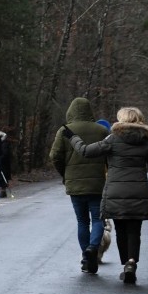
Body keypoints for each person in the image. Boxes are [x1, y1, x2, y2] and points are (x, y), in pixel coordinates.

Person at [62, 106, 148, 284]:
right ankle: (131, 263)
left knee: (121, 230)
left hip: (115, 193)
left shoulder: (112, 140)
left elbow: (85, 151)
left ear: (121, 120)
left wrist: (72, 137)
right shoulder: (146, 143)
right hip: (138, 193)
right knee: (134, 231)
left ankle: (126, 263)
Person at [50, 97, 109, 273]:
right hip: (98, 183)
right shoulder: (101, 130)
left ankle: (85, 257)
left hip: (74, 184)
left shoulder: (64, 131)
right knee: (98, 218)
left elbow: (55, 156)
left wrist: (65, 173)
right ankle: (93, 248)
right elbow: (109, 154)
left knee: (82, 221)